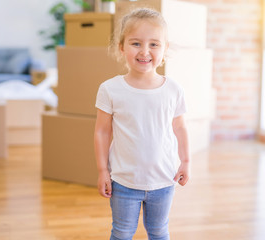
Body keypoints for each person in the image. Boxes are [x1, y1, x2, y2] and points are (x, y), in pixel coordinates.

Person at [94, 7, 190, 240]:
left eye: (154, 44)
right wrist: (102, 170)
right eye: (136, 43)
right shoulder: (110, 89)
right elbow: (102, 132)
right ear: (121, 47)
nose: (144, 51)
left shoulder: (173, 89)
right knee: (122, 233)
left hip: (164, 181)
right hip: (124, 182)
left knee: (158, 231)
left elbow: (180, 128)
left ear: (165, 49)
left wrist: (186, 161)